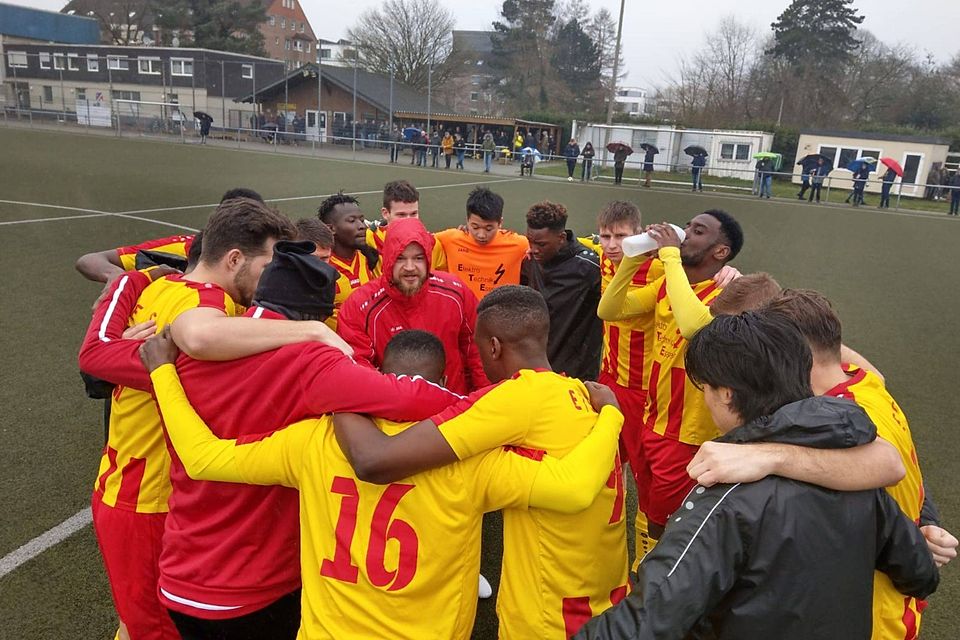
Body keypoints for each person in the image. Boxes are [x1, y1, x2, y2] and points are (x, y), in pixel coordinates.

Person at [82, 241, 461, 640]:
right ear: (315, 316)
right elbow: (408, 395)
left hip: (183, 575)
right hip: (256, 584)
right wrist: (481, 401)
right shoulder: (312, 363)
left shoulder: (183, 349)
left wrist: (129, 285)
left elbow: (95, 357)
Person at [143, 325, 624, 640]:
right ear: (443, 379)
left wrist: (163, 372)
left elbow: (202, 458)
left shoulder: (313, 439)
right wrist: (608, 418)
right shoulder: (476, 459)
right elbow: (569, 487)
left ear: (377, 375)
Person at [574, 313, 940, 640]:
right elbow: (920, 573)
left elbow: (649, 618)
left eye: (705, 389)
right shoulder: (850, 471)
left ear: (727, 394)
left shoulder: (723, 498)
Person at [76, 199, 345, 640]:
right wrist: (314, 332)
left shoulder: (160, 289)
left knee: (146, 619)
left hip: (163, 492)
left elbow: (101, 353)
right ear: (234, 258)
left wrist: (130, 282)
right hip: (146, 497)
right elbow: (190, 341)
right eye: (267, 265)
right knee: (156, 629)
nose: (268, 279)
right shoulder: (206, 315)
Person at [332, 285, 630, 638]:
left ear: (493, 347)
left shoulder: (511, 398)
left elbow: (374, 461)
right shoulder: (582, 393)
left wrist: (339, 392)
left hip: (553, 613)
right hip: (606, 591)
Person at [763, 289, 957, 639]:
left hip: (867, 607)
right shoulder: (865, 382)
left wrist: (766, 456)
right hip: (890, 589)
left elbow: (887, 468)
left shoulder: (841, 423)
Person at [597, 211, 743, 552]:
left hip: (688, 431)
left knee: (670, 518)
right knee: (647, 503)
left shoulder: (729, 294)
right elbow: (610, 309)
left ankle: (665, 582)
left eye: (698, 231)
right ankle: (644, 567)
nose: (686, 233)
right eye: (688, 226)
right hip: (654, 417)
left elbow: (694, 326)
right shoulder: (667, 283)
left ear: (720, 252)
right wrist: (631, 261)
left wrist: (670, 255)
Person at [337, 218, 489, 395]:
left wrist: (481, 398)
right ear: (387, 259)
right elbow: (359, 369)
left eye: (418, 258)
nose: (410, 267)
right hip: (395, 414)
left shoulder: (455, 291)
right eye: (400, 258)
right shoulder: (359, 307)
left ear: (428, 259)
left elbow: (478, 349)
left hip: (454, 407)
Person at [521, 201, 602, 381]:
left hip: (576, 374)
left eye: (541, 244)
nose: (534, 249)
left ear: (562, 238)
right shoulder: (530, 260)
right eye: (530, 241)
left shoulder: (589, 267)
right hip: (536, 368)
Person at [432, 186, 530, 300]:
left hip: (501, 315)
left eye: (489, 228)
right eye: (475, 227)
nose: (481, 235)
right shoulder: (450, 239)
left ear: (500, 223)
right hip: (463, 314)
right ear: (467, 221)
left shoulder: (519, 245)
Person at [317, 192, 380, 330]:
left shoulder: (368, 258)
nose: (362, 226)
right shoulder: (320, 267)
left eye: (362, 220)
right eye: (352, 221)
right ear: (331, 229)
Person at [365, 180, 420, 253]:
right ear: (385, 213)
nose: (408, 220)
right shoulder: (372, 238)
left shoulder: (425, 240)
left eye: (413, 214)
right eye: (401, 215)